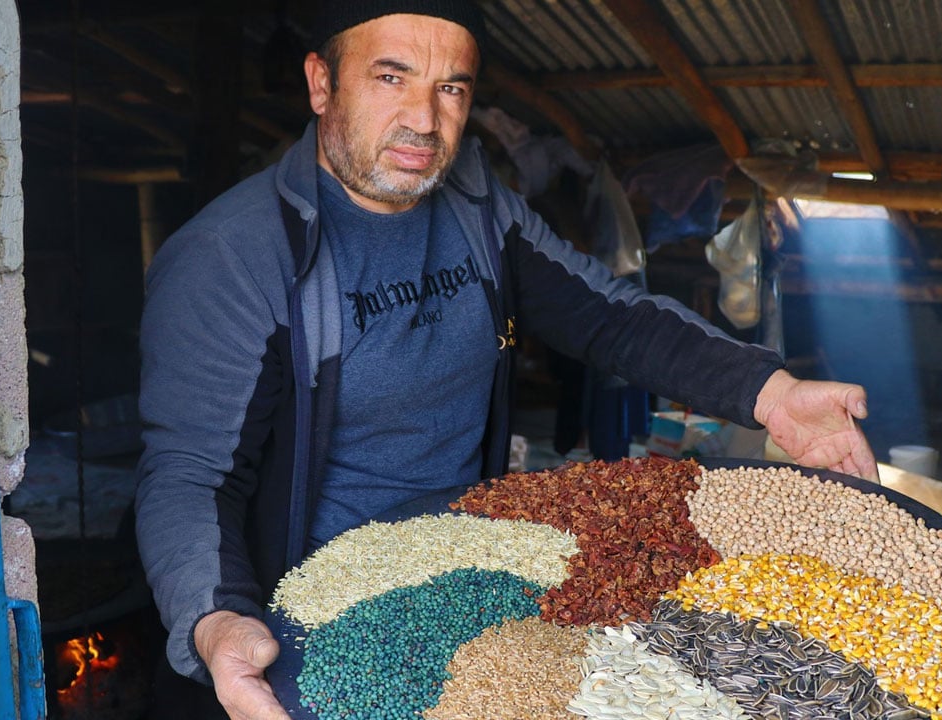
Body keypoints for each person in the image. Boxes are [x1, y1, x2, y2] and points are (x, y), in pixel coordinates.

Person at [135, 2, 878, 718]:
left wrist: (772, 392)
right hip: (325, 618)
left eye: (450, 88)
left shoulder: (475, 207)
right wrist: (215, 618)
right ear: (321, 83)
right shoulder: (233, 257)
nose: (425, 121)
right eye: (390, 77)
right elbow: (190, 476)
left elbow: (607, 314)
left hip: (477, 579)